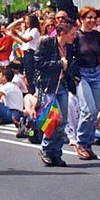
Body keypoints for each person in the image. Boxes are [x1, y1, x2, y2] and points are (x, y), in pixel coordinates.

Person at [34, 18, 79, 166]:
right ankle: (46, 148)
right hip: (49, 85)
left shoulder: (70, 48)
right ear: (62, 33)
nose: (74, 37)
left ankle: (56, 152)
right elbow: (38, 63)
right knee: (54, 119)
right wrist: (59, 64)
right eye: (72, 34)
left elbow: (70, 66)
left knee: (63, 121)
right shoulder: (47, 43)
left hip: (62, 85)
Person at [74, 6, 100, 160]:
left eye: (94, 17)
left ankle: (88, 144)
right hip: (82, 75)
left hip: (96, 74)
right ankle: (81, 142)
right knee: (88, 110)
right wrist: (73, 75)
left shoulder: (98, 36)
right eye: (88, 17)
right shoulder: (76, 36)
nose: (91, 20)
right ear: (81, 19)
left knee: (96, 108)